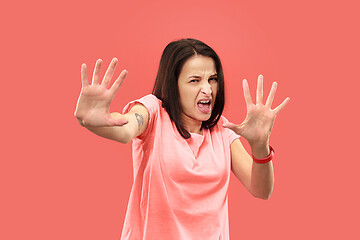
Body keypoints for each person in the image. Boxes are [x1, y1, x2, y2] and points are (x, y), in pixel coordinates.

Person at [74, 38, 290, 240]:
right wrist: (94, 120)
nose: (207, 90)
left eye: (212, 79)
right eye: (194, 80)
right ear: (172, 85)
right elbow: (124, 129)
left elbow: (262, 190)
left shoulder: (222, 131)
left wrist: (259, 146)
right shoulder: (153, 112)